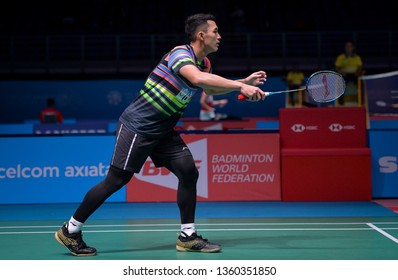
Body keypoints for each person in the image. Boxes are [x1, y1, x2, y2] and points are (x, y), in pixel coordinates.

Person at [54, 13, 266, 256]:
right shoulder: (180, 54)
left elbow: (209, 87)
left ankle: (188, 236)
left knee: (188, 171)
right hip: (139, 126)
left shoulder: (205, 64)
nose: (219, 36)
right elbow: (197, 78)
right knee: (116, 180)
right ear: (201, 35)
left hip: (163, 129)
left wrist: (244, 81)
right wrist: (240, 86)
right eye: (215, 31)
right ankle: (70, 230)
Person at [334, 41, 363, 105]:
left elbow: (360, 66)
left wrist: (358, 72)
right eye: (347, 46)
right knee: (340, 84)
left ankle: (361, 101)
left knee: (362, 83)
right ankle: (341, 103)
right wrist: (341, 72)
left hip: (355, 74)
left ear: (353, 48)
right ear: (345, 48)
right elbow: (337, 67)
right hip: (344, 75)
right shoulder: (341, 57)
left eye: (350, 46)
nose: (348, 48)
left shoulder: (357, 57)